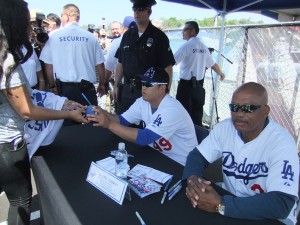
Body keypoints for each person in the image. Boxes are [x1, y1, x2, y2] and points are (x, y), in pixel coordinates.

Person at [0, 1, 89, 224]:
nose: (32, 29)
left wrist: (62, 102)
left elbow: (27, 95)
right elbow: (27, 111)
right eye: (28, 24)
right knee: (20, 201)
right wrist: (67, 114)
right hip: (8, 145)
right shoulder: (7, 60)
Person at [183, 82, 299, 225]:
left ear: (265, 111)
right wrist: (192, 179)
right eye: (234, 107)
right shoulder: (225, 128)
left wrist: (221, 205)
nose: (238, 114)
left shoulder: (282, 142)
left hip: (271, 214)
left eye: (247, 108)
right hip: (232, 197)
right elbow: (198, 156)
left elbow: (281, 203)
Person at [87, 67, 198, 166]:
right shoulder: (142, 102)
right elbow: (122, 120)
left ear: (162, 88)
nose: (144, 87)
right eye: (143, 83)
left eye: (149, 84)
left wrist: (109, 124)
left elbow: (145, 137)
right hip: (158, 155)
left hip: (180, 163)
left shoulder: (172, 109)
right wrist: (101, 112)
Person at [40, 4, 106, 126]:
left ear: (66, 16)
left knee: (65, 128)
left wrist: (53, 86)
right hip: (87, 90)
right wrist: (102, 84)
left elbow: (48, 64)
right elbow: (100, 65)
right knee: (91, 127)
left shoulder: (54, 36)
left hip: (64, 91)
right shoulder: (90, 37)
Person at [113, 0, 175, 115]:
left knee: (145, 129)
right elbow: (120, 62)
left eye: (141, 9)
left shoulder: (159, 37)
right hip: (126, 91)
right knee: (122, 125)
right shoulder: (127, 35)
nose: (137, 13)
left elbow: (168, 68)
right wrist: (116, 85)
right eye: (135, 9)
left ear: (149, 12)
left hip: (148, 92)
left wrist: (165, 92)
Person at [174, 21, 225, 127]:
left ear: (192, 31)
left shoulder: (187, 46)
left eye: (185, 30)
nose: (182, 32)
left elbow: (171, 62)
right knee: (197, 117)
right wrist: (221, 73)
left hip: (186, 87)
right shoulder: (203, 47)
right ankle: (198, 140)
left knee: (182, 116)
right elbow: (213, 64)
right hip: (199, 87)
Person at [103, 16, 135, 113]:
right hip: (134, 87)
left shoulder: (117, 42)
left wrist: (104, 83)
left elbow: (108, 66)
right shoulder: (117, 42)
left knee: (123, 119)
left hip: (125, 87)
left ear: (122, 28)